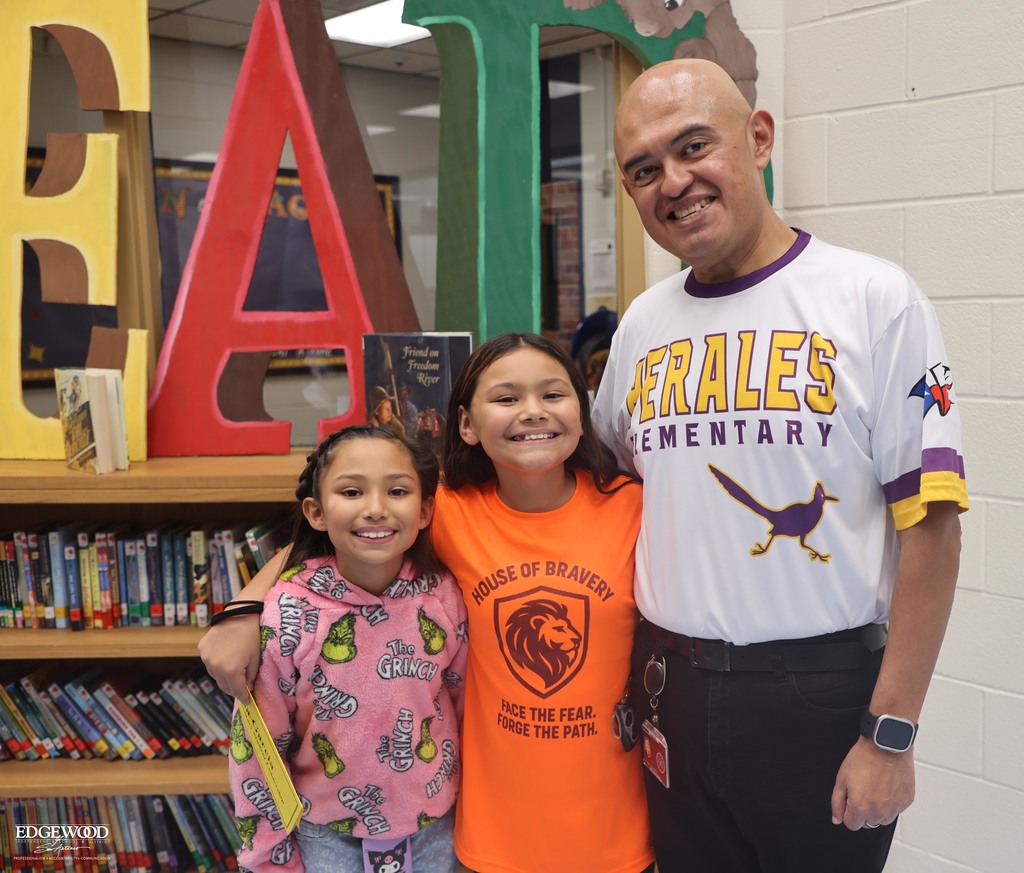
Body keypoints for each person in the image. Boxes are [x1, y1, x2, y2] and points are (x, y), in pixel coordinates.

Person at [591, 59, 969, 872]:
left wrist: (891, 732)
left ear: (759, 139)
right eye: (644, 169)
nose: (674, 181)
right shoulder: (642, 328)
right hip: (668, 691)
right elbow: (608, 491)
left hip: (822, 699)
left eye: (695, 145)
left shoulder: (873, 299)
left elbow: (932, 530)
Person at [201, 333, 654, 873]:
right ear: (466, 424)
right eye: (507, 398)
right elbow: (344, 538)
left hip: (613, 831)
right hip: (486, 837)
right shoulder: (449, 512)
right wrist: (244, 611)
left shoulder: (633, 505)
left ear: (584, 413)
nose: (532, 411)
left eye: (554, 395)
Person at [226, 425, 467, 872]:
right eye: (352, 491)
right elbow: (258, 749)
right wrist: (268, 858)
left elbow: (466, 707)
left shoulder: (444, 597)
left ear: (425, 510)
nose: (376, 509)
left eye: (397, 491)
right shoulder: (287, 614)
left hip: (436, 826)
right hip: (327, 835)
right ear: (317, 513)